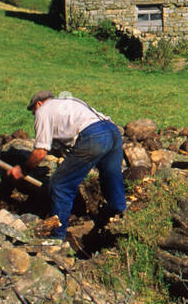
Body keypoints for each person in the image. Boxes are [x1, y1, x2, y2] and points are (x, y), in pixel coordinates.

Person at [11, 91, 126, 245]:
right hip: (112, 131)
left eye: (33, 112)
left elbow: (40, 152)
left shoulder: (43, 111)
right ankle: (116, 212)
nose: (34, 115)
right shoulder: (68, 103)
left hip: (93, 136)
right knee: (111, 175)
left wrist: (22, 170)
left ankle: (57, 237)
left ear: (38, 104)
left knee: (60, 185)